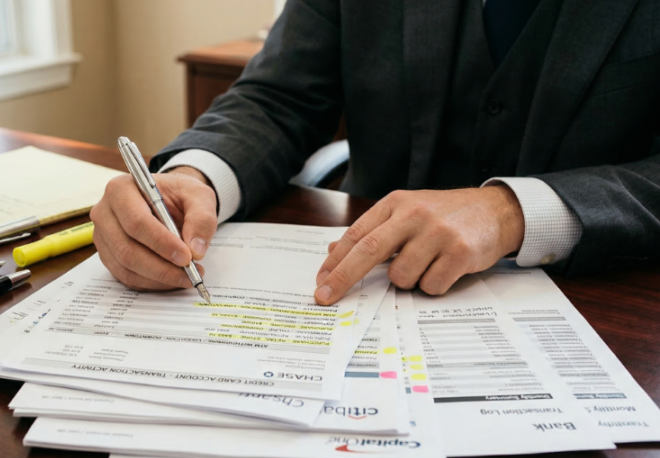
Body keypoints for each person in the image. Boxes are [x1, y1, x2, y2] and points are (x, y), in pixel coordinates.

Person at [91, 0, 660, 305]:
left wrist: (513, 212)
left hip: (607, 306)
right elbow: (279, 94)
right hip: (369, 300)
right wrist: (195, 174)